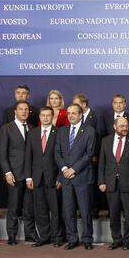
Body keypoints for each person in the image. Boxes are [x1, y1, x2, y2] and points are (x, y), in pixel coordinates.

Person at [55, 104, 96, 250]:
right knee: (68, 211)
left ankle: (87, 240)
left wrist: (74, 169)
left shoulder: (89, 131)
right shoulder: (62, 131)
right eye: (69, 113)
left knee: (85, 211)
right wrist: (65, 169)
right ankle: (72, 239)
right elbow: (57, 153)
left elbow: (89, 154)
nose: (71, 115)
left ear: (81, 115)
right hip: (66, 178)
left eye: (74, 113)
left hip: (82, 177)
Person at [98, 117, 129, 250]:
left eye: (126, 125)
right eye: (122, 126)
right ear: (115, 126)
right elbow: (102, 163)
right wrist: (101, 181)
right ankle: (116, 239)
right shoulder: (106, 140)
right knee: (113, 214)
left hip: (128, 183)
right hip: (110, 184)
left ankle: (128, 240)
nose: (125, 128)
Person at [0, 100, 35, 244]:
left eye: (26, 109)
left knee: (29, 207)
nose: (24, 112)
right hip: (14, 174)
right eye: (21, 109)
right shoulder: (6, 128)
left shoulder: (32, 128)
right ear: (15, 111)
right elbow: (2, 154)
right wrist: (7, 172)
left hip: (30, 175)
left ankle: (30, 235)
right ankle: (12, 236)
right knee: (13, 207)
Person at [25, 107, 63, 247]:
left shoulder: (59, 132)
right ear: (39, 117)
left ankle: (57, 237)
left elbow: (62, 157)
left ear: (52, 117)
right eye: (43, 115)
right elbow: (28, 156)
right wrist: (28, 177)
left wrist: (60, 176)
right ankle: (44, 237)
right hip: (36, 178)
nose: (46, 118)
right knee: (40, 210)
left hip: (53, 178)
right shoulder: (32, 133)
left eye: (48, 115)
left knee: (56, 210)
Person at [73, 93, 105, 222]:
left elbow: (100, 136)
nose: (74, 107)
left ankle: (93, 211)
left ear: (84, 104)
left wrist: (95, 155)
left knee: (92, 187)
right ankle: (82, 210)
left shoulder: (96, 116)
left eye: (77, 104)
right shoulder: (75, 118)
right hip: (77, 161)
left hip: (93, 159)